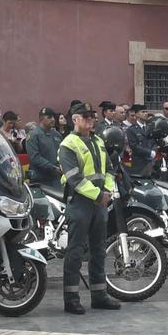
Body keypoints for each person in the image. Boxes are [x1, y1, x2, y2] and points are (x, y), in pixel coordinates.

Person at [56, 104, 120, 314]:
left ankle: (99, 295)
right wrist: (98, 195)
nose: (91, 120)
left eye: (93, 117)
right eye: (86, 117)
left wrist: (108, 191)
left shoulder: (98, 141)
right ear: (75, 119)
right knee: (75, 251)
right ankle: (71, 298)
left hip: (100, 203)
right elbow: (74, 178)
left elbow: (109, 170)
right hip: (81, 203)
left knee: (99, 250)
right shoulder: (68, 144)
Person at [24, 107, 63, 195]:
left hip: (57, 178)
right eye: (49, 117)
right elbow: (35, 157)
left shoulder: (57, 135)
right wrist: (52, 167)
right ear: (41, 118)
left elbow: (62, 153)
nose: (53, 119)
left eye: (53, 117)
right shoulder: (33, 135)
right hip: (40, 179)